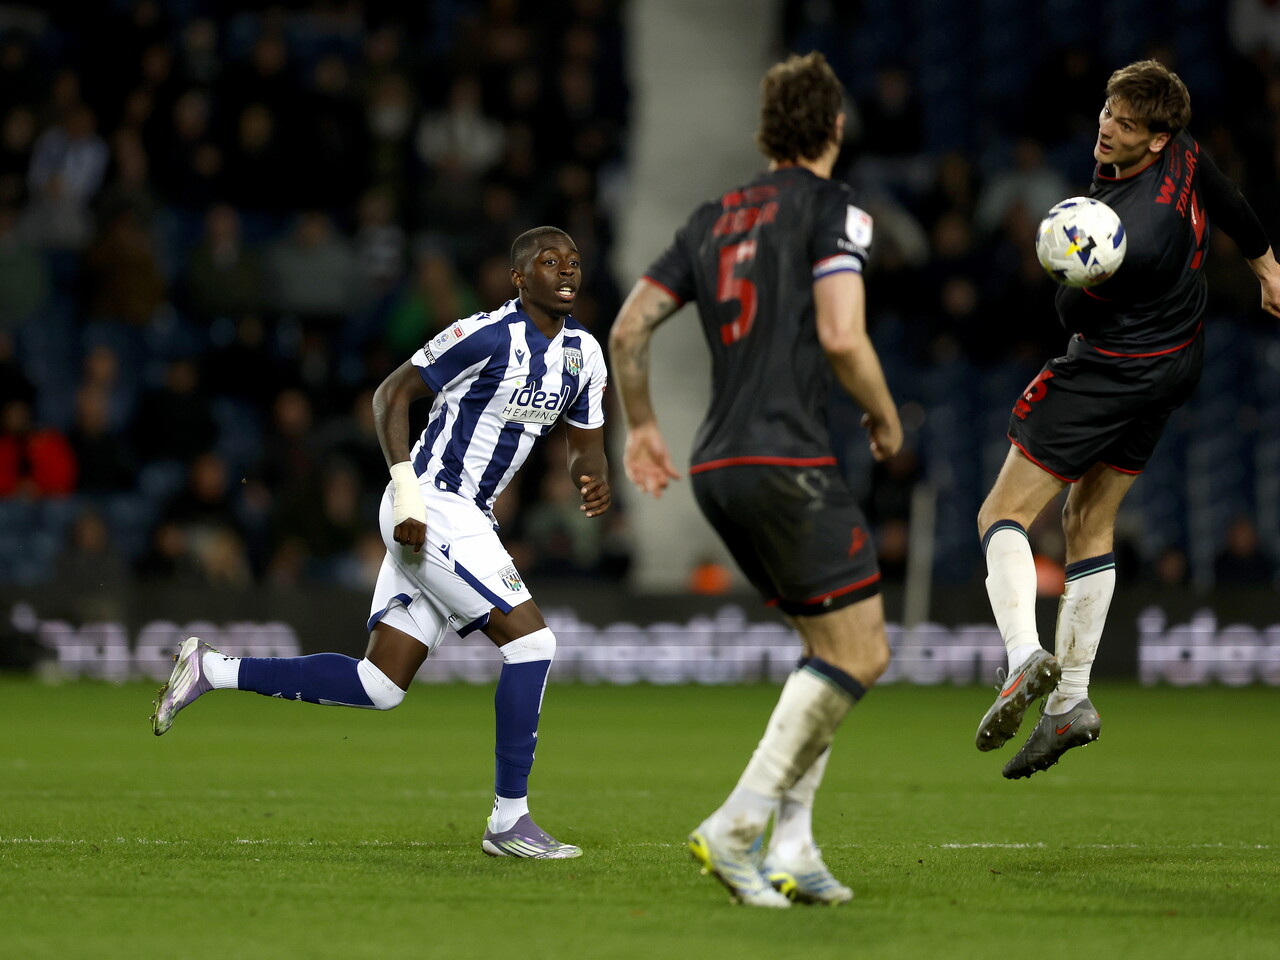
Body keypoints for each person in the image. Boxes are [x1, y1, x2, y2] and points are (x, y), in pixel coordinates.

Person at [151, 226, 611, 859]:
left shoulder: (585, 354)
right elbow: (391, 393)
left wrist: (595, 480)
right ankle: (509, 821)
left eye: (574, 261)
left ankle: (212, 669)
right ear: (518, 277)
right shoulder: (484, 335)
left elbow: (585, 440)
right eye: (548, 260)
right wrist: (409, 496)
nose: (566, 270)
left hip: (466, 516)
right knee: (533, 642)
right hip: (429, 505)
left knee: (380, 684)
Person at [610, 52, 902, 908]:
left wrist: (644, 429)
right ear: (836, 129)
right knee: (866, 651)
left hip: (715, 463)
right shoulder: (835, 208)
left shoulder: (711, 219)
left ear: (764, 132)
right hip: (787, 457)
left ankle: (796, 845)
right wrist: (882, 414)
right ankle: (736, 828)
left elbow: (629, 331)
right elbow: (843, 336)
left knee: (825, 652)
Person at [974, 60, 1280, 780]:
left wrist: (1066, 267)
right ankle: (1071, 703)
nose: (1108, 128)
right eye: (1109, 113)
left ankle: (1023, 657)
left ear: (1156, 139)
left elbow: (1071, 314)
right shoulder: (1185, 154)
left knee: (1000, 514)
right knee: (1089, 522)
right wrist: (1268, 262)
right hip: (1175, 362)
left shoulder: (1133, 239)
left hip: (1114, 367)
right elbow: (1227, 196)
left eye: (1126, 124)